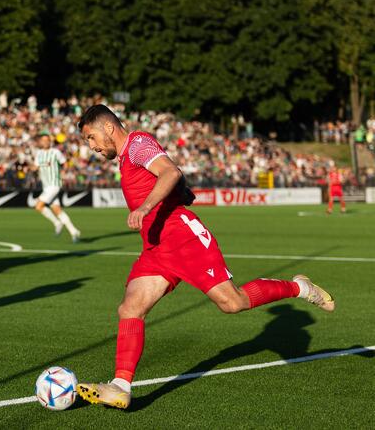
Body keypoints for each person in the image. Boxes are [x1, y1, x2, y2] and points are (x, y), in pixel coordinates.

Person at [74, 105, 335, 409]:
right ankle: (120, 386)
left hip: (182, 238)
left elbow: (170, 171)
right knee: (130, 308)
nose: (91, 146)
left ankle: (300, 287)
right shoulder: (126, 157)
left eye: (91, 137)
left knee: (232, 303)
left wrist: (145, 207)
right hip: (157, 247)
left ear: (108, 128)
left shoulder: (137, 144)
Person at [30, 133, 80, 242]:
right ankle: (74, 231)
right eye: (43, 140)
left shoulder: (55, 152)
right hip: (46, 186)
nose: (46, 142)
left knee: (38, 206)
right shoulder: (39, 154)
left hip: (54, 185)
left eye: (47, 140)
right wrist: (29, 167)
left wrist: (63, 172)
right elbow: (35, 167)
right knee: (57, 210)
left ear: (50, 142)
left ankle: (57, 223)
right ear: (40, 142)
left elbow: (65, 163)